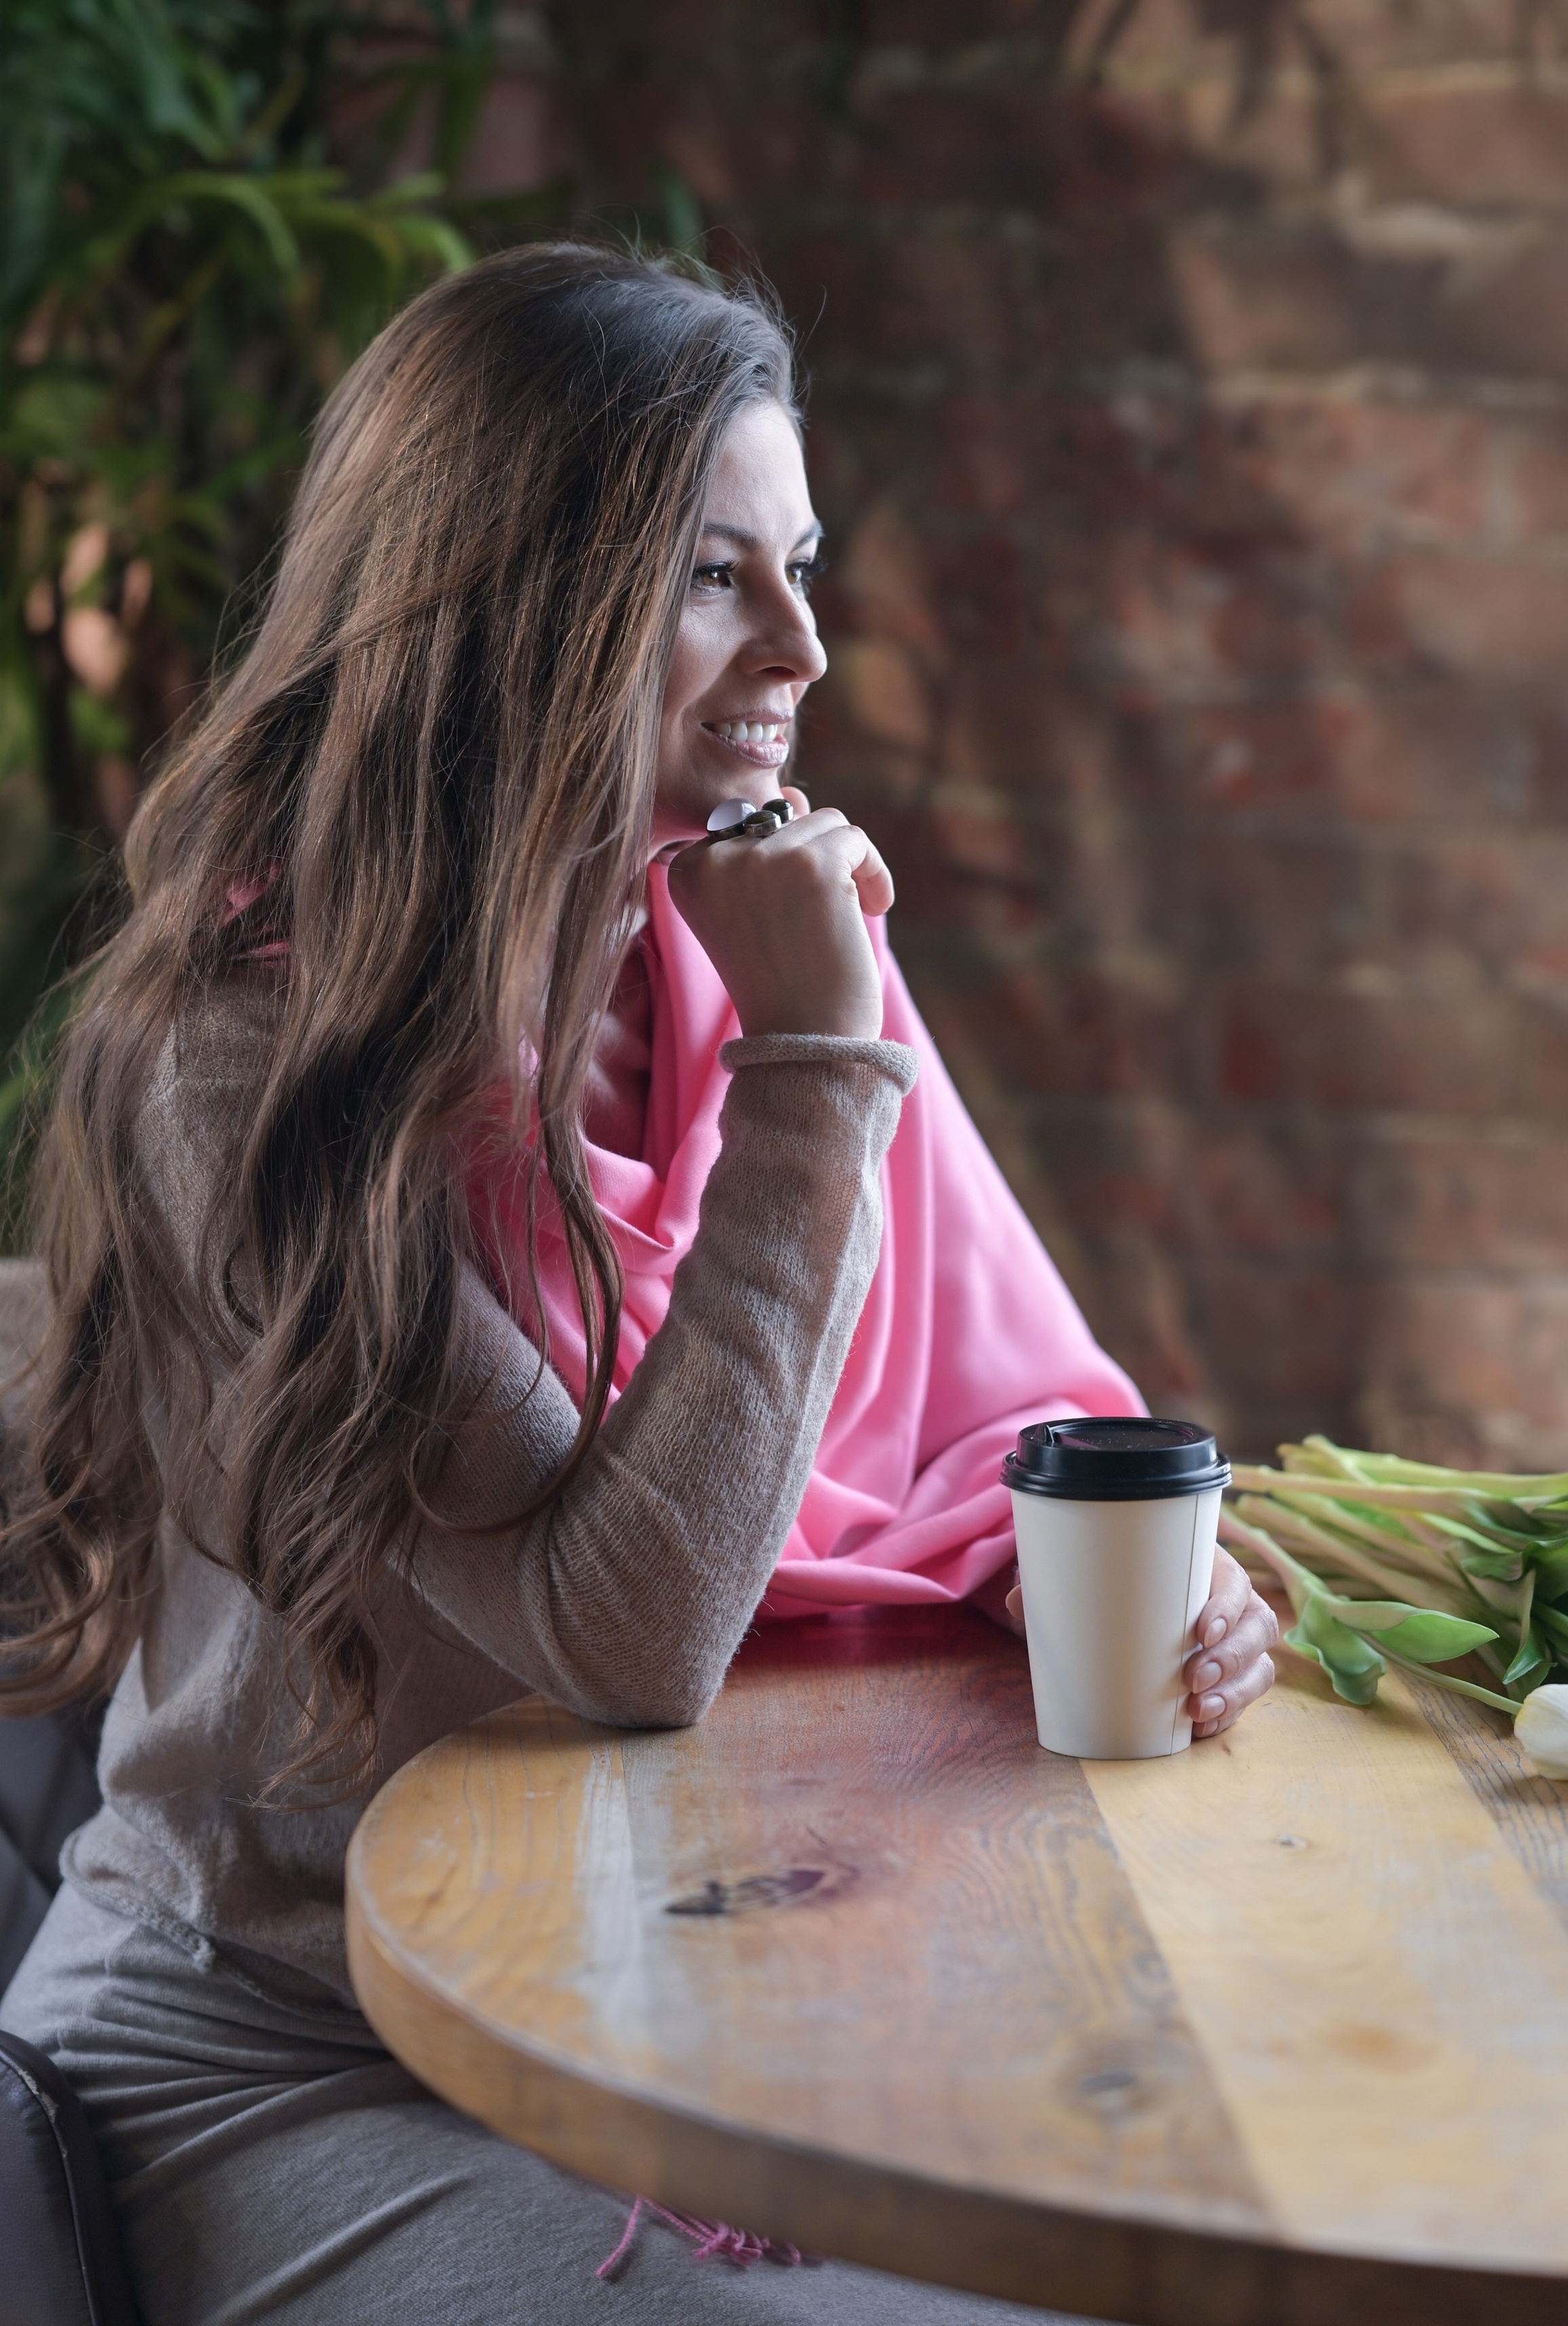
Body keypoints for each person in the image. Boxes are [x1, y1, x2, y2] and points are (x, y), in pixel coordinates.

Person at [0, 245, 1276, 2325]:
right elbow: (626, 1633)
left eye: (804, 563)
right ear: (507, 608)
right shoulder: (247, 1061)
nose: (805, 644)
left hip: (689, 2005)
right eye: (713, 578)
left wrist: (1132, 1567)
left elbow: (1008, 1423)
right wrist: (813, 1074)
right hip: (288, 2038)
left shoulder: (748, 944)